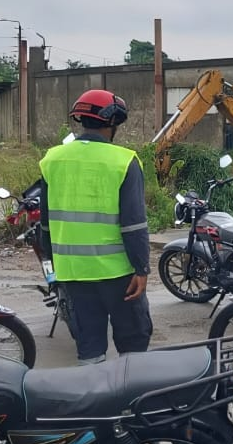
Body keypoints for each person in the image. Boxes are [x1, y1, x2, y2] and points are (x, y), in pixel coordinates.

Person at [38, 89, 152, 364]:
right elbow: (133, 225)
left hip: (73, 272)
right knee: (133, 340)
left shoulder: (52, 159)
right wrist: (142, 268)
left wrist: (53, 264)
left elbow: (44, 223)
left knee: (89, 345)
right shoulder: (124, 161)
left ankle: (96, 401)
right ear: (112, 122)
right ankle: (130, 398)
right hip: (118, 272)